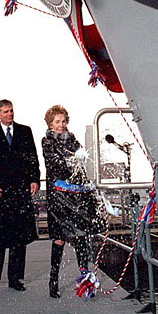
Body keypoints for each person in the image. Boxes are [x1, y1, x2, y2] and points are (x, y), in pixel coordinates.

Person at [42, 105, 104, 298]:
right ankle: (53, 280)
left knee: (80, 236)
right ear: (50, 124)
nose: (62, 125)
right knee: (59, 239)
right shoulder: (47, 141)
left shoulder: (72, 138)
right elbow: (54, 164)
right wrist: (72, 160)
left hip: (76, 196)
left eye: (64, 121)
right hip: (58, 198)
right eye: (58, 122)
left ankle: (85, 280)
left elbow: (82, 165)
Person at [0, 99, 40, 293]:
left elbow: (33, 158)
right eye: (6, 112)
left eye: (11, 111)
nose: (10, 114)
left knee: (19, 237)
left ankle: (15, 279)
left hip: (20, 191)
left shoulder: (25, 131)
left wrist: (34, 179)